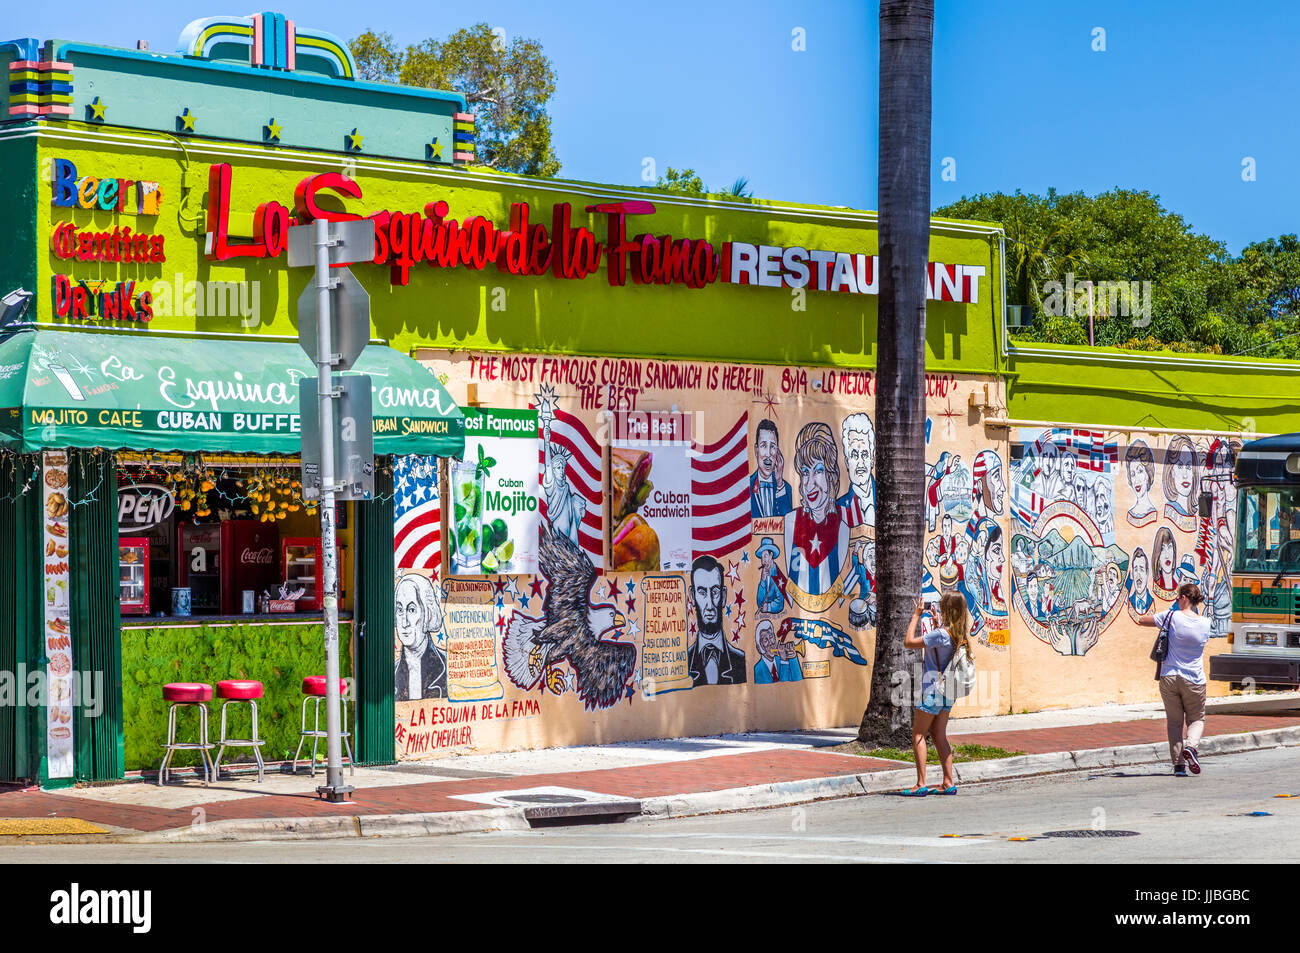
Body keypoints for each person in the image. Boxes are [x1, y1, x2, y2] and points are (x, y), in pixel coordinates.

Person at [899, 592, 971, 796]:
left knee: (919, 734)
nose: (938, 608)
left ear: (947, 609)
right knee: (939, 735)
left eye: (941, 606)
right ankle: (948, 781)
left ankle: (921, 783)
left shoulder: (940, 634)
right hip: (948, 691)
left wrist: (916, 615)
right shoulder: (958, 634)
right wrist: (939, 623)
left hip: (932, 689)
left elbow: (909, 642)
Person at [1138, 582, 1212, 777]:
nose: (1176, 601)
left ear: (1184, 598)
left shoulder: (1171, 616)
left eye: (1178, 598)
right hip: (1194, 678)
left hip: (1169, 677)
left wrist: (1166, 611)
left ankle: (1179, 766)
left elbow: (1142, 620)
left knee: (1174, 722)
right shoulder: (1206, 623)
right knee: (1196, 718)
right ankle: (1192, 747)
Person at [686, 554, 747, 685]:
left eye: (715, 592)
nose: (709, 605)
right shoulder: (683, 663)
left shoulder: (741, 660)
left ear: (724, 596)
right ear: (692, 596)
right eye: (702, 592)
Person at [395, 573, 447, 701]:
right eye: (400, 610)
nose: (404, 622)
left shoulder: (447, 664)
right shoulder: (391, 671)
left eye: (412, 610)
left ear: (427, 614)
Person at [837, 413, 876, 528]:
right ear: (846, 462)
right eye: (854, 455)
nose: (860, 463)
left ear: (872, 459)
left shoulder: (886, 498)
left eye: (864, 454)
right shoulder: (839, 508)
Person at [750, 419, 793, 518]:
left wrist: (779, 484)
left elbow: (789, 524)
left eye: (772, 446)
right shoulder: (746, 487)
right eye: (764, 446)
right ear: (756, 450)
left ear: (777, 451)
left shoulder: (785, 488)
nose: (768, 454)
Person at [755, 537, 786, 613]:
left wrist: (769, 607)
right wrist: (762, 581)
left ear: (771, 555)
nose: (763, 561)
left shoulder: (778, 574)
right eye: (762, 558)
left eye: (765, 556)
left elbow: (780, 603)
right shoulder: (764, 573)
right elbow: (759, 603)